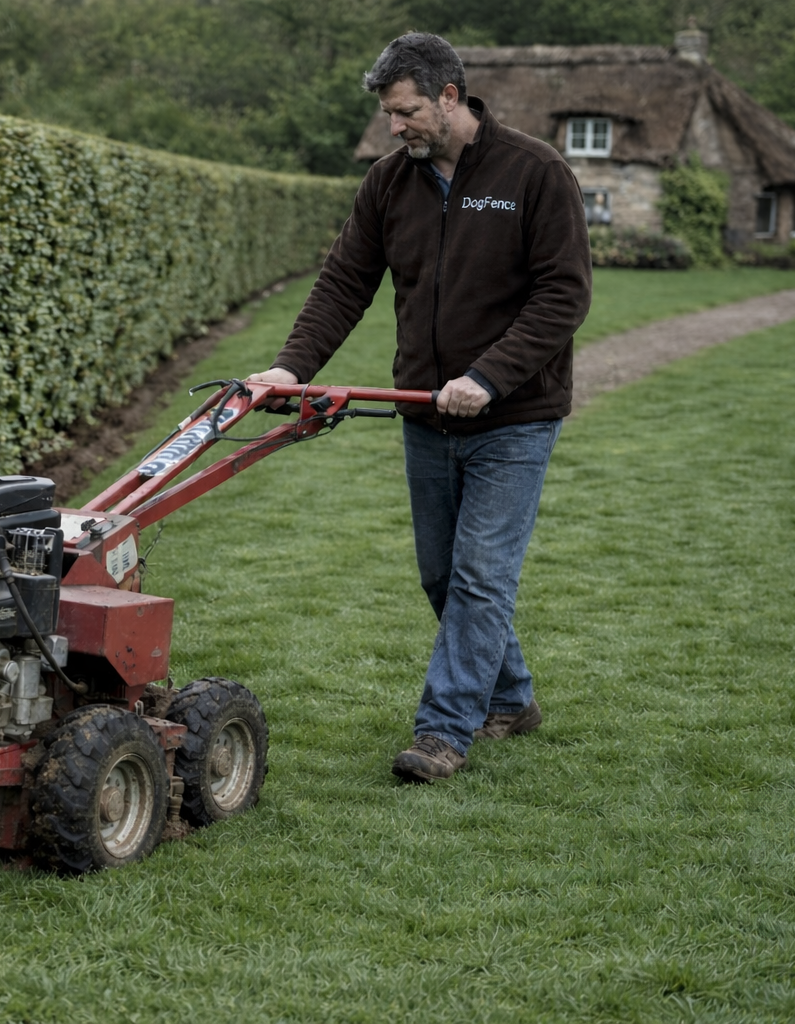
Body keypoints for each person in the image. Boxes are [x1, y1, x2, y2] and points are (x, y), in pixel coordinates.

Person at [247, 32, 591, 782]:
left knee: (479, 577)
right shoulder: (388, 184)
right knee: (441, 576)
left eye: (404, 112)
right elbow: (344, 282)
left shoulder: (535, 172)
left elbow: (563, 293)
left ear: (448, 96)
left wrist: (491, 376)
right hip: (425, 413)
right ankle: (513, 698)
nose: (393, 127)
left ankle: (443, 733)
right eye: (387, 114)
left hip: (515, 415)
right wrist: (288, 367)